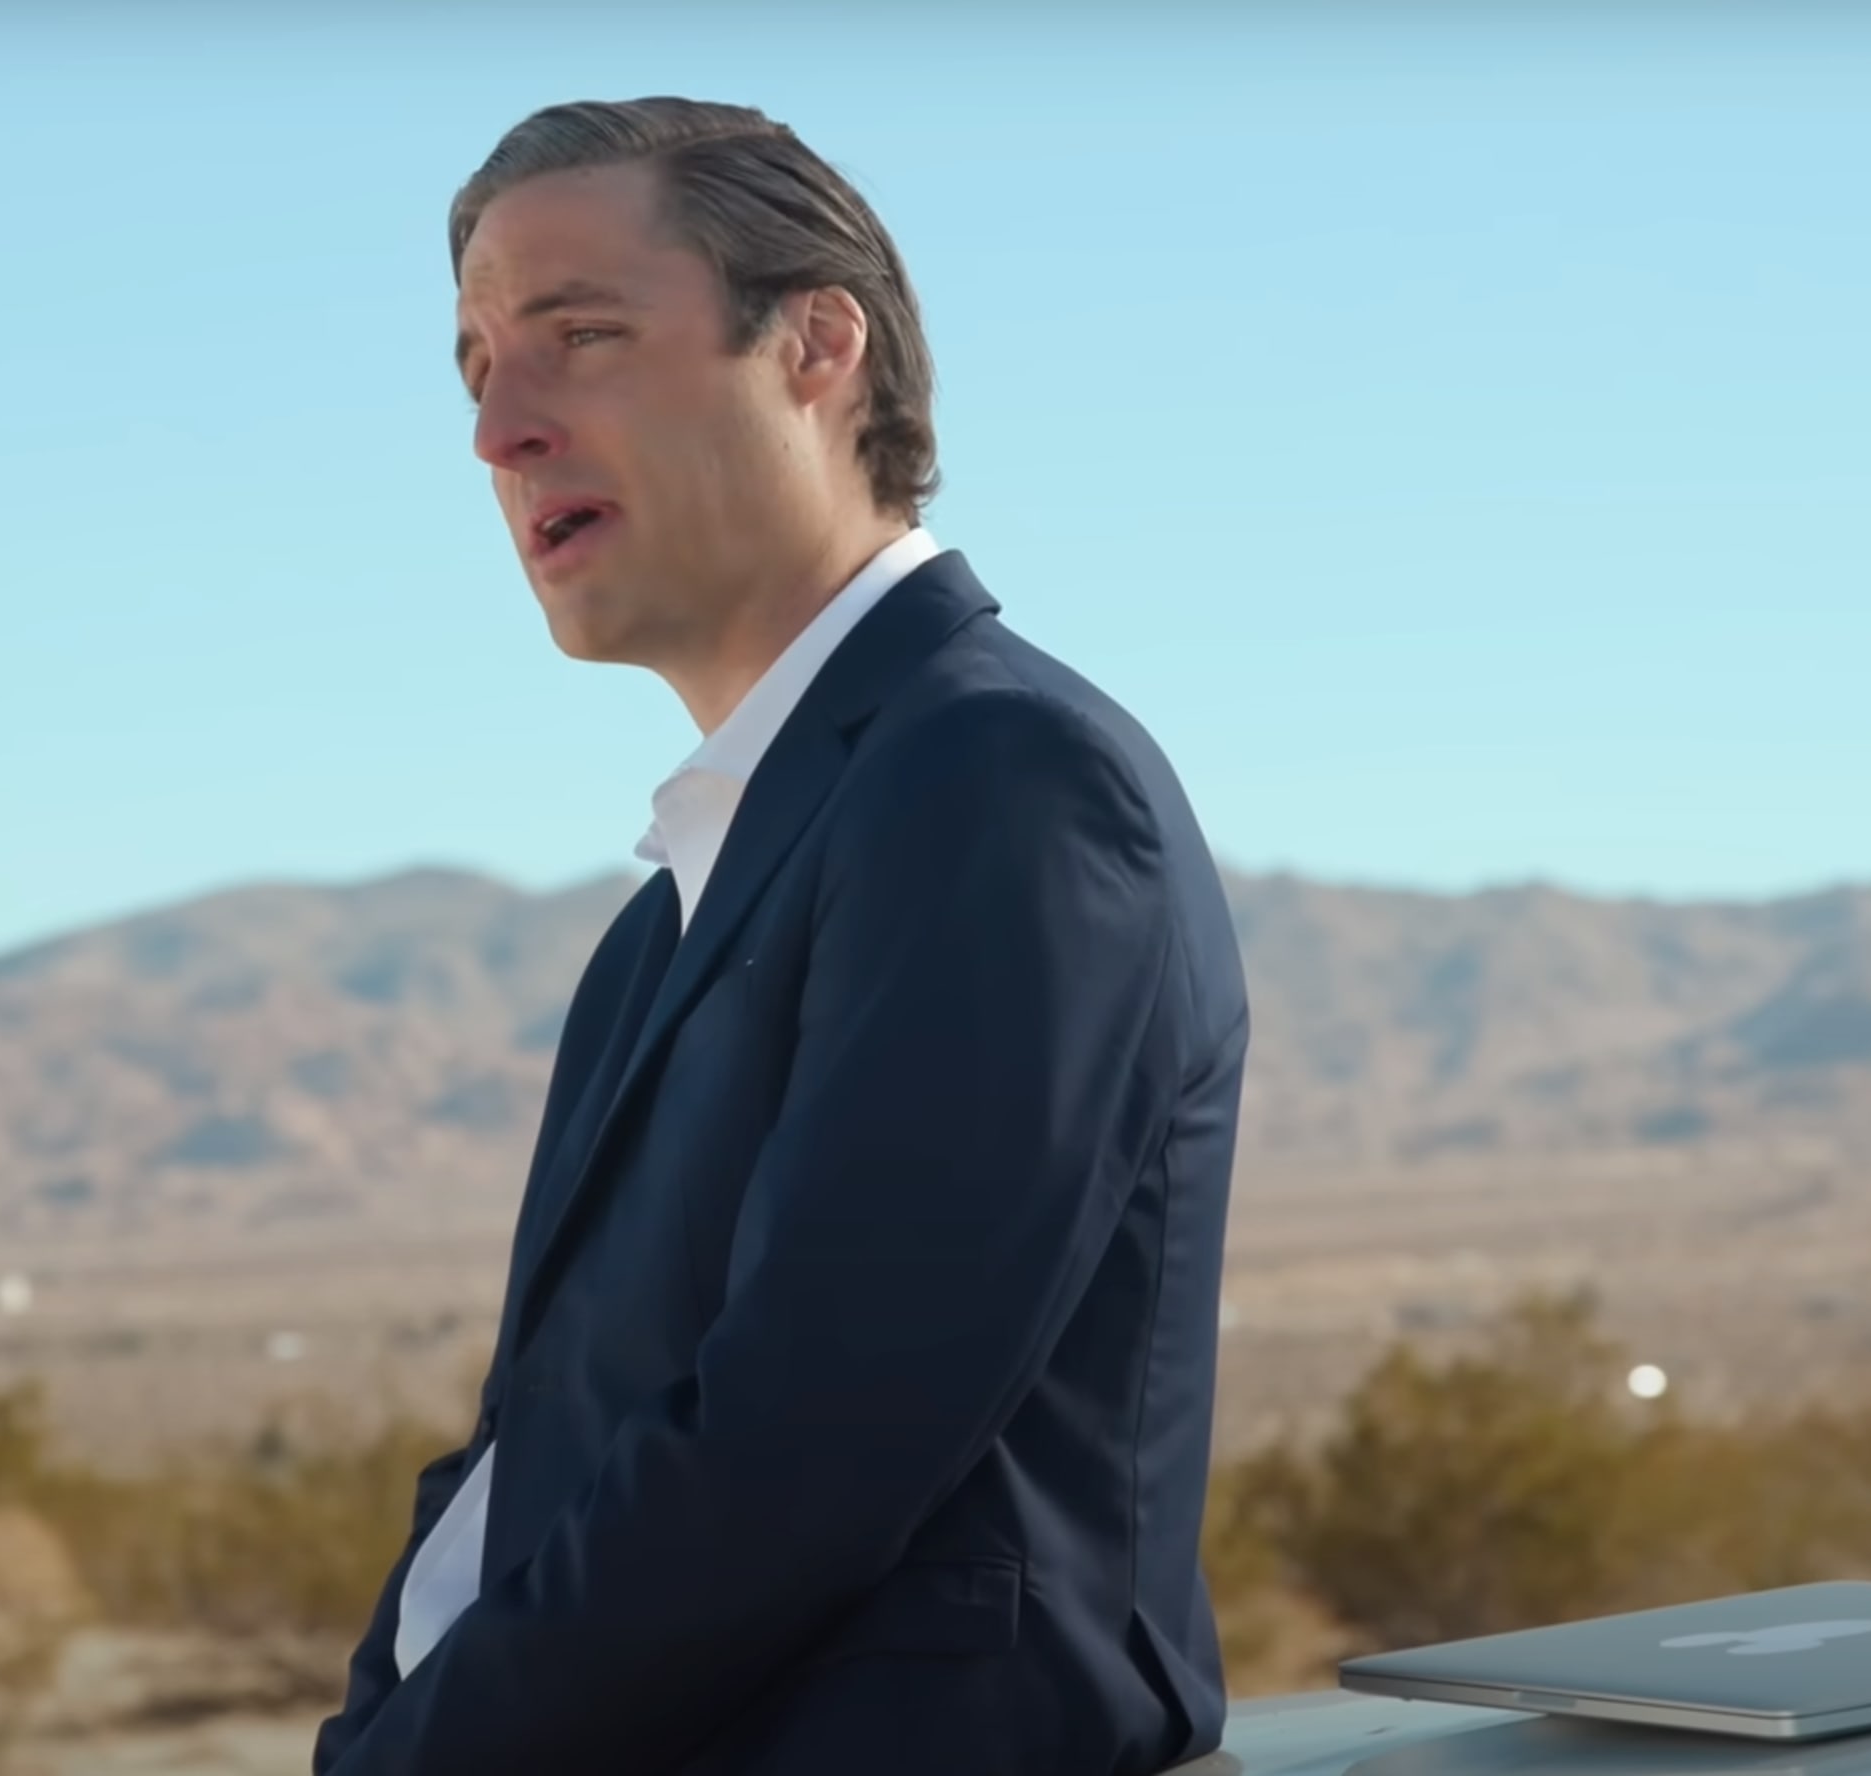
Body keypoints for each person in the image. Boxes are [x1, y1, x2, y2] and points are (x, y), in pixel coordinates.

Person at [313, 97, 1251, 1776]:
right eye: (473, 370)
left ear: (819, 345)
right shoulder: (662, 924)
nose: (499, 432)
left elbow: (803, 1447)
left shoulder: (1002, 780)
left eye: (579, 337)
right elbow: (537, 1455)